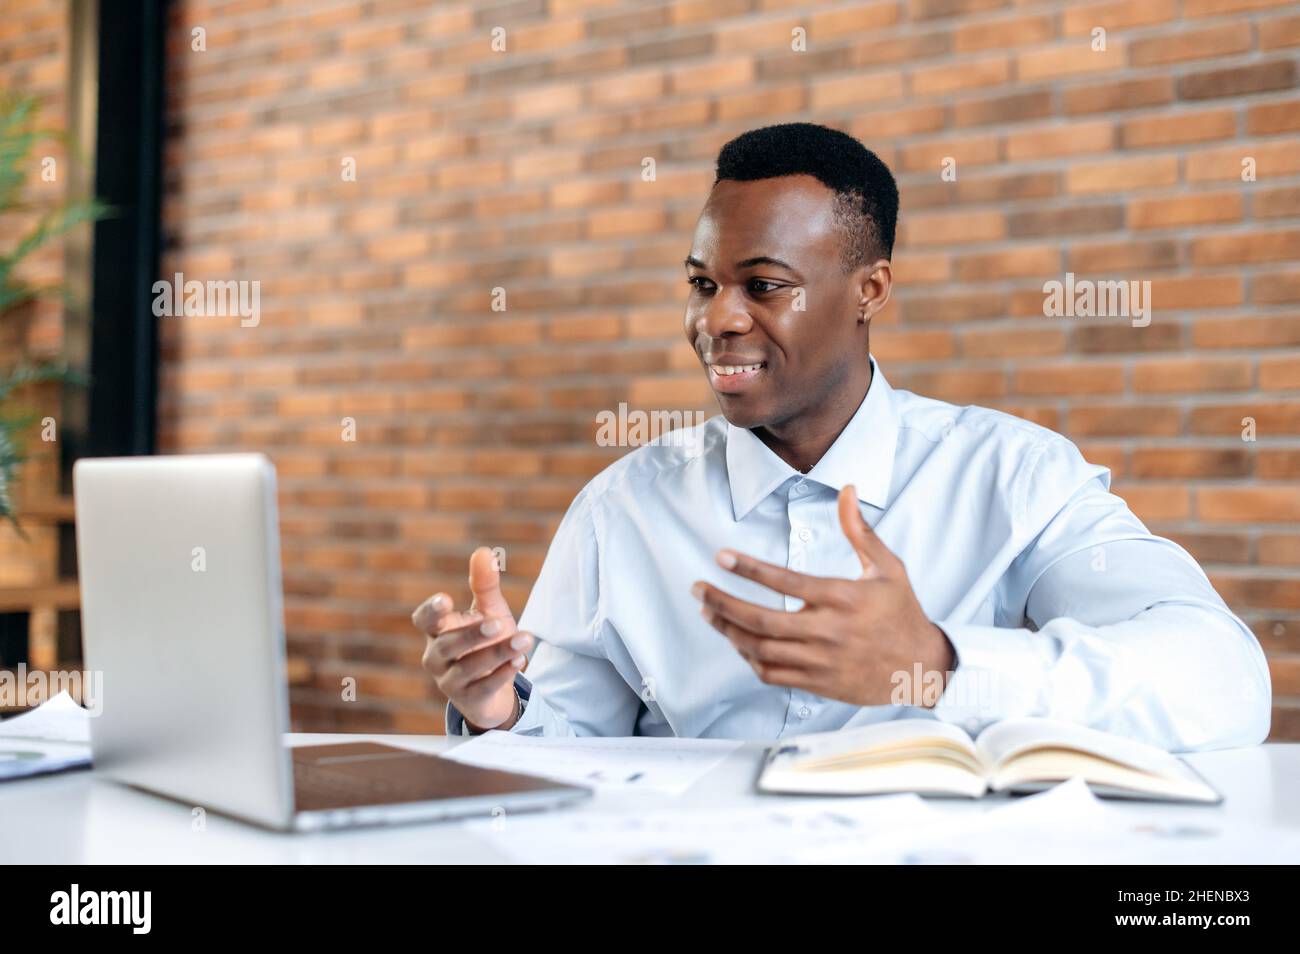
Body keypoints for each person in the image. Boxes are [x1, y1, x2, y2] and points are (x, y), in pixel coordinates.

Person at [412, 122, 1270, 751]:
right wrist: (505, 710)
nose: (717, 319)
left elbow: (1223, 681)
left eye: (763, 285)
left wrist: (938, 663)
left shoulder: (1016, 479)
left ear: (870, 290)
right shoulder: (622, 509)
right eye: (703, 282)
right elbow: (572, 750)